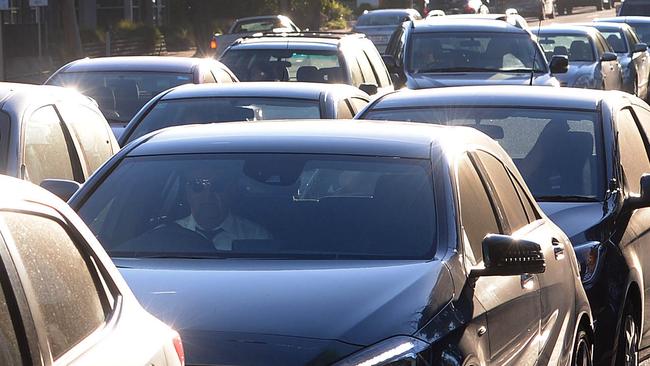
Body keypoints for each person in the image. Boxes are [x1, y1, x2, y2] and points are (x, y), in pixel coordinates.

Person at [176, 164, 270, 250]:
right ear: (187, 194)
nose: (208, 195)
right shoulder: (169, 234)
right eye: (197, 186)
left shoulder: (256, 236)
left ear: (231, 192)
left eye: (217, 186)